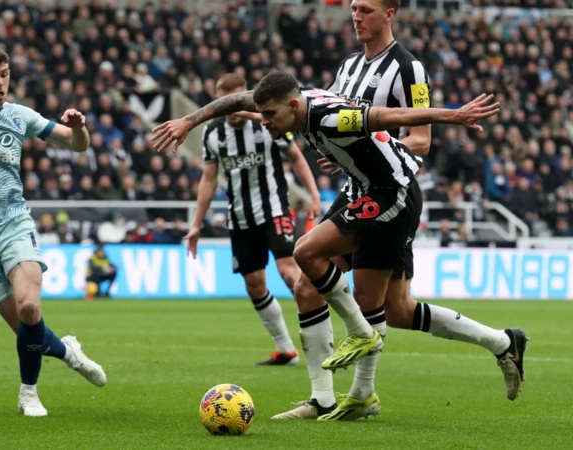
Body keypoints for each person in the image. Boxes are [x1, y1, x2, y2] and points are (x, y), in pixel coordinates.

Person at [150, 71, 513, 421]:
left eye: (269, 115)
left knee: (307, 252)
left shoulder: (332, 118)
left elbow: (391, 115)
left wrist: (453, 115)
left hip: (392, 194)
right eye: (261, 114)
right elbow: (234, 100)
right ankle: (325, 399)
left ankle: (360, 334)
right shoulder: (293, 105)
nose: (263, 122)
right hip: (362, 189)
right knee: (348, 297)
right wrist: (187, 122)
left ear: (293, 106)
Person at [307, 0, 528, 420]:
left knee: (383, 304)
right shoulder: (347, 67)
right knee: (393, 309)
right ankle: (504, 342)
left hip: (391, 193)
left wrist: (370, 151)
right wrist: (343, 156)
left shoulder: (410, 69)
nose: (356, 16)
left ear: (390, 13)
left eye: (366, 9)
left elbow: (422, 140)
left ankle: (354, 397)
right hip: (355, 189)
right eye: (353, 8)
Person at [0, 45, 106, 417]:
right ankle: (69, 352)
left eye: (4, 74)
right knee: (29, 330)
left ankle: (29, 393)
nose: (0, 82)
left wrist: (79, 130)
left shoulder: (20, 115)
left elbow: (76, 145)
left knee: (30, 306)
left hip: (13, 221)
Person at [185, 73, 326, 368]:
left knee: (289, 272)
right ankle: (285, 349)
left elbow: (297, 158)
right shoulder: (214, 134)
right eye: (227, 101)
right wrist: (196, 223)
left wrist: (314, 195)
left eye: (239, 99)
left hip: (274, 210)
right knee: (254, 284)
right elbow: (209, 179)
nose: (235, 107)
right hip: (239, 218)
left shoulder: (267, 124)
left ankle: (322, 339)